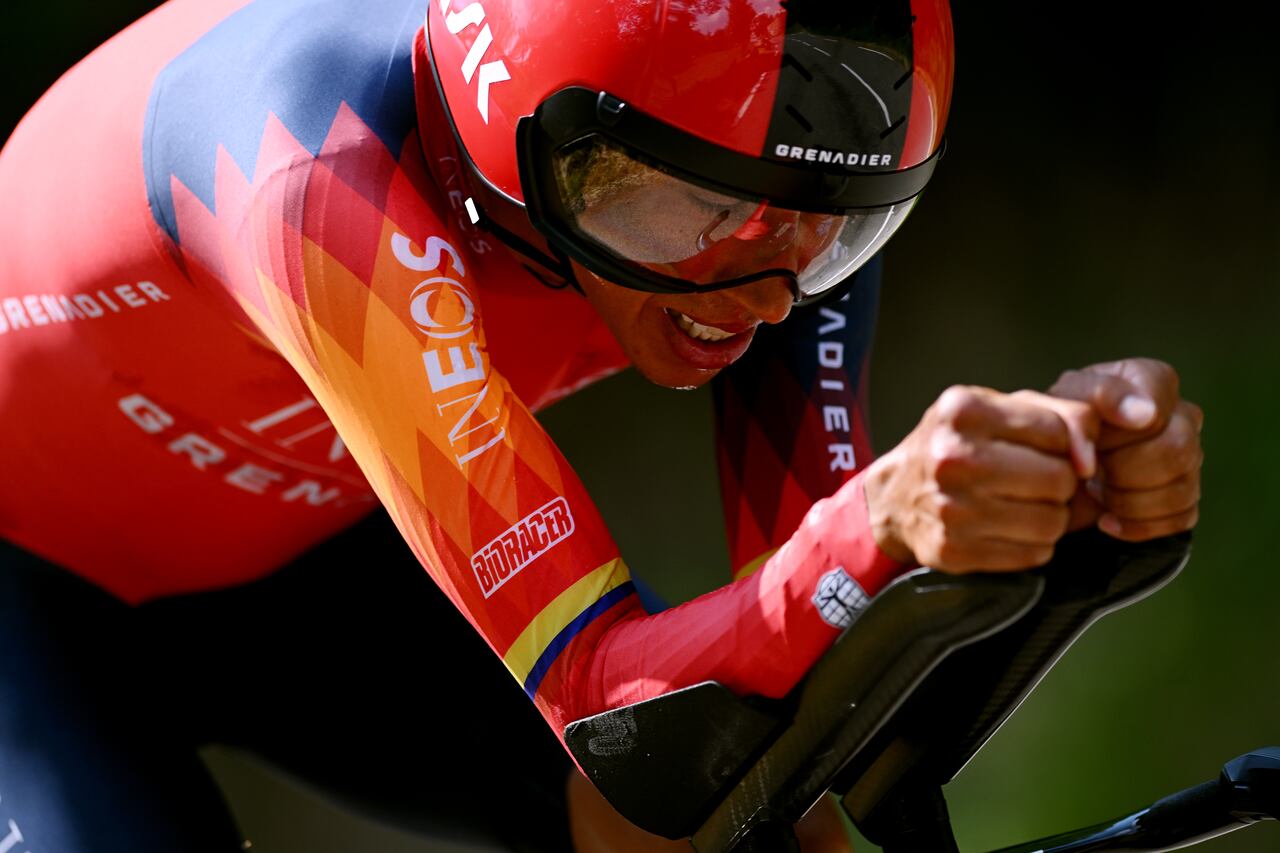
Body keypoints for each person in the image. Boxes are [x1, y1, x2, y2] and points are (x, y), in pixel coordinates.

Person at [0, 0, 1203, 850]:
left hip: (306, 554)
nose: (759, 294)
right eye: (676, 211)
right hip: (27, 599)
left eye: (838, 227)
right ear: (527, 140)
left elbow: (793, 703)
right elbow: (606, 696)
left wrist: (1069, 508)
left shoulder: (773, 201)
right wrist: (875, 533)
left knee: (694, 825)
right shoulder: (308, 176)